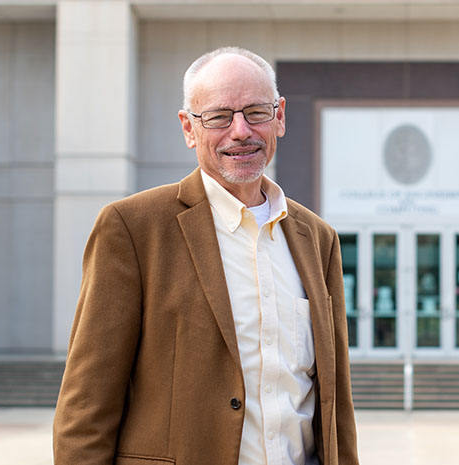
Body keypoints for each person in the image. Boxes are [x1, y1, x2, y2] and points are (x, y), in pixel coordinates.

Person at [53, 47, 359, 465]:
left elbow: (334, 404)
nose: (240, 131)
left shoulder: (317, 239)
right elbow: (85, 407)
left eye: (256, 112)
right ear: (188, 128)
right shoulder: (132, 228)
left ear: (280, 116)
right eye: (218, 117)